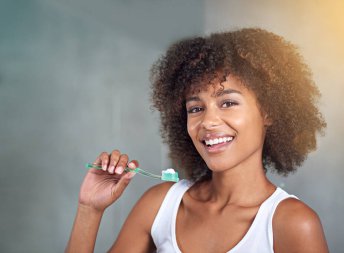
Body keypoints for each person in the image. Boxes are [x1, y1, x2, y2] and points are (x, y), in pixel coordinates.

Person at [66, 28, 329, 252]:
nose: (207, 121)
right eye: (195, 108)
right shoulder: (161, 205)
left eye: (227, 102)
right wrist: (89, 209)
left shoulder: (292, 224)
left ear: (268, 111)